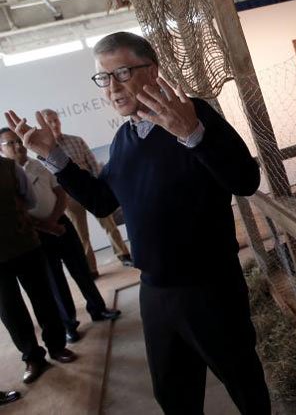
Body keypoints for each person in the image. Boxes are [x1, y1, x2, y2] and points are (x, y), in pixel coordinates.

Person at [5, 32, 270, 414]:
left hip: (210, 286)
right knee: (173, 393)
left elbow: (245, 180)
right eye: (103, 77)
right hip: (154, 291)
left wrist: (192, 135)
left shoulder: (193, 114)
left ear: (153, 71)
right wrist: (53, 155)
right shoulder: (126, 138)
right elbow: (102, 201)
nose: (112, 88)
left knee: (243, 382)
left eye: (123, 72)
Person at [0, 128, 121, 343]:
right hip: (36, 234)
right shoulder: (7, 174)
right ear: (2, 149)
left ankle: (98, 309)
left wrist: (55, 221)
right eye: (10, 143)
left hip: (61, 224)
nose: (18, 146)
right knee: (55, 281)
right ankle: (69, 324)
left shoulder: (39, 163)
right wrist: (46, 227)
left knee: (81, 269)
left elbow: (60, 193)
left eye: (18, 141)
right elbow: (16, 210)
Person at [0, 156, 76, 384]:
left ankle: (57, 346)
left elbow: (30, 201)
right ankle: (32, 358)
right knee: (10, 310)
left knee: (43, 298)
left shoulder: (9, 167)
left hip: (25, 245)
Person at [41, 109, 133, 278]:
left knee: (110, 226)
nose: (54, 124)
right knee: (81, 234)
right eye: (50, 122)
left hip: (92, 190)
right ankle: (91, 268)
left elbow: (92, 163)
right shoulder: (44, 150)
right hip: (69, 198)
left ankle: (124, 255)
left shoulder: (75, 141)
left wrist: (100, 187)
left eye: (56, 120)